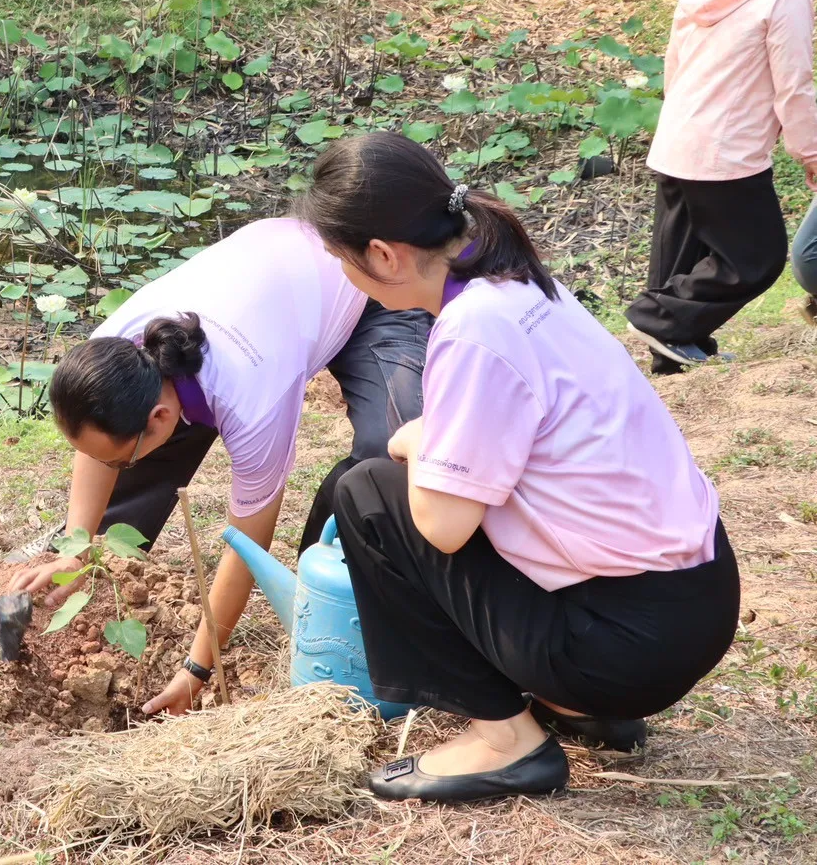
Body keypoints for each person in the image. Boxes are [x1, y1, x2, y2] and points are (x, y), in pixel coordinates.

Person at [297, 132, 739, 803]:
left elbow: (441, 527)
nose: (341, 276)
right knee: (413, 482)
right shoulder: (518, 281)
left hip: (624, 643)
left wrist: (413, 442)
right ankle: (579, 707)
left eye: (340, 259)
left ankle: (508, 742)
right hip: (694, 602)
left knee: (366, 492)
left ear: (382, 254)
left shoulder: (475, 328)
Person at [6, 217, 432, 716]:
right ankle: (89, 557)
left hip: (361, 283)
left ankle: (326, 578)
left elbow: (247, 541)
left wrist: (197, 669)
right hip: (273, 293)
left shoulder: (253, 400)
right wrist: (77, 546)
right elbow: (95, 440)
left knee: (394, 454)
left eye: (114, 456)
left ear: (162, 415)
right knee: (124, 453)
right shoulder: (113, 350)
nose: (107, 463)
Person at [626, 0, 817, 373]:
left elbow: (675, 60)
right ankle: (654, 318)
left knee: (679, 257)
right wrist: (811, 153)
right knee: (755, 257)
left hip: (678, 134)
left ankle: (673, 359)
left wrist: (679, 113)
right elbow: (793, 87)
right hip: (726, 150)